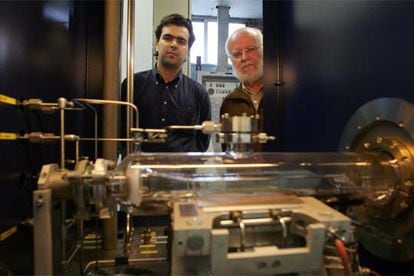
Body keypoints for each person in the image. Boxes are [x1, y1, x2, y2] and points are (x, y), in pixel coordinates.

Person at [123, 14, 211, 152]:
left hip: (182, 171)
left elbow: (202, 142)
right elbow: (119, 132)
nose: (174, 44)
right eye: (167, 38)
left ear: (188, 51)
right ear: (157, 44)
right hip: (139, 170)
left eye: (181, 41)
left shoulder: (199, 93)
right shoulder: (132, 85)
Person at [220, 27, 263, 151]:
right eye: (237, 54)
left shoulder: (283, 94)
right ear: (231, 61)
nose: (244, 57)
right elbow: (230, 151)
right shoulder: (230, 103)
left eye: (250, 50)